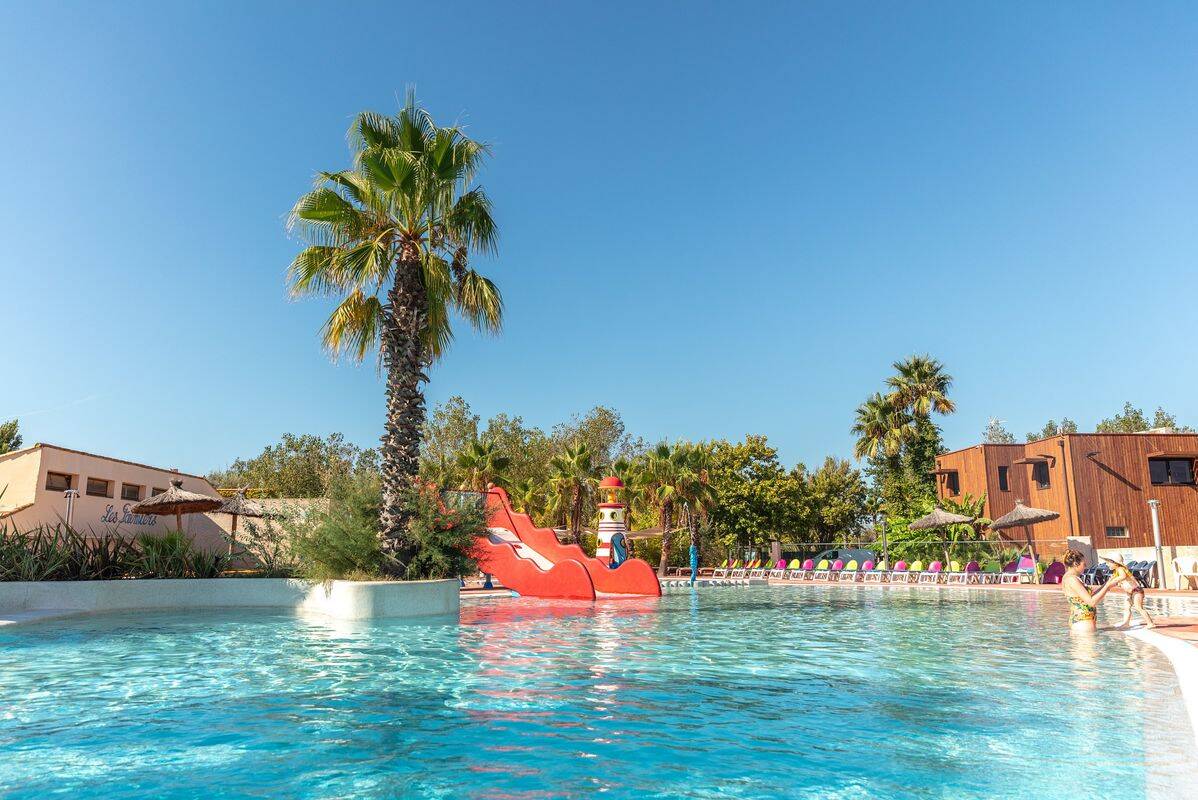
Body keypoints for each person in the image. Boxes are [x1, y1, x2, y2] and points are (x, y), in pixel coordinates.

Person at [1061, 550, 1117, 634]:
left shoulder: (1070, 578)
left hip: (1080, 621)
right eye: (1084, 564)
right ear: (1076, 564)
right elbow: (1092, 602)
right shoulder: (1072, 579)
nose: (1086, 566)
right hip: (1084, 623)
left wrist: (1107, 584)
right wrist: (1107, 586)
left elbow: (1089, 597)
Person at [1101, 556, 1156, 629]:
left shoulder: (1120, 569)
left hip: (1136, 591)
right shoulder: (1116, 571)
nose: (1107, 564)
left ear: (1115, 563)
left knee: (1138, 607)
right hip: (1129, 592)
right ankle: (1126, 623)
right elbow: (1114, 581)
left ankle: (1150, 623)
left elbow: (1123, 576)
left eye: (1108, 563)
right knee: (1126, 608)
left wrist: (1115, 580)